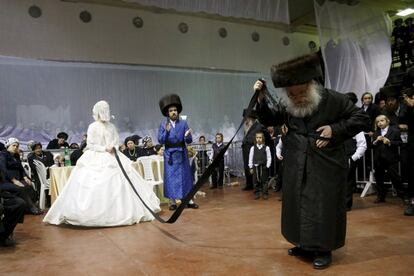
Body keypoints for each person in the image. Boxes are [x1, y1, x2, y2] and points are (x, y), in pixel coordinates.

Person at [252, 53, 370, 269]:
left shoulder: (334, 99)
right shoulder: (288, 103)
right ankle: (302, 244)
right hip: (297, 161)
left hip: (325, 163)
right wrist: (260, 100)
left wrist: (335, 130)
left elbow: (362, 118)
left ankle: (324, 249)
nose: (297, 98)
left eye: (301, 92)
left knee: (321, 207)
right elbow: (271, 118)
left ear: (312, 85)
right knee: (297, 205)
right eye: (292, 94)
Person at [43, 100, 160, 227]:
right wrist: (104, 149)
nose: (106, 113)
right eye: (103, 110)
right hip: (96, 156)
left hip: (113, 156)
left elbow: (116, 140)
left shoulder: (112, 126)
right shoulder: (92, 126)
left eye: (107, 110)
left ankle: (120, 211)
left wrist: (113, 147)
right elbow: (91, 144)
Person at [158, 94, 198, 211]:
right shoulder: (163, 125)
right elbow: (160, 140)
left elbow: (189, 140)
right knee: (170, 178)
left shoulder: (183, 124)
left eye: (175, 110)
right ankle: (172, 202)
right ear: (167, 113)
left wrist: (187, 136)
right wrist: (166, 131)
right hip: (170, 154)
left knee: (186, 177)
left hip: (182, 153)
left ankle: (189, 200)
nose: (174, 112)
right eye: (171, 111)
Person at [0, 138, 41, 215]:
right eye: (13, 145)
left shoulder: (16, 156)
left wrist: (25, 177)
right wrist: (14, 180)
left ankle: (28, 207)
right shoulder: (2, 155)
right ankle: (32, 208)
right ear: (8, 146)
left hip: (18, 178)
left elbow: (21, 168)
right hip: (7, 180)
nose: (15, 147)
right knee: (22, 188)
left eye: (17, 146)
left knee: (29, 185)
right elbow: (4, 170)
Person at [372, 115, 404, 203]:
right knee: (379, 178)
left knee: (395, 177)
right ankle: (381, 196)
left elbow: (400, 143)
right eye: (378, 122)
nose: (380, 123)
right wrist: (375, 141)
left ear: (387, 121)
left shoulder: (395, 131)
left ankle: (403, 196)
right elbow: (371, 146)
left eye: (382, 120)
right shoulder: (376, 132)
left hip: (391, 159)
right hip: (379, 159)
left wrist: (390, 142)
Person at [345, 93, 367, 211]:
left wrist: (353, 158)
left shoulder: (356, 121)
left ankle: (346, 204)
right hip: (338, 156)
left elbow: (362, 144)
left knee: (348, 181)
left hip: (350, 156)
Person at [248, 132, 271, 200]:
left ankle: (265, 193)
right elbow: (250, 158)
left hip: (263, 167)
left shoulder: (266, 148)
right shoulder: (253, 148)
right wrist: (251, 167)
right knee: (255, 181)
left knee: (264, 181)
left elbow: (269, 157)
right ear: (255, 139)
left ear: (262, 138)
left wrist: (267, 166)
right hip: (255, 166)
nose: (258, 139)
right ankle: (256, 193)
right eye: (257, 138)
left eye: (260, 137)